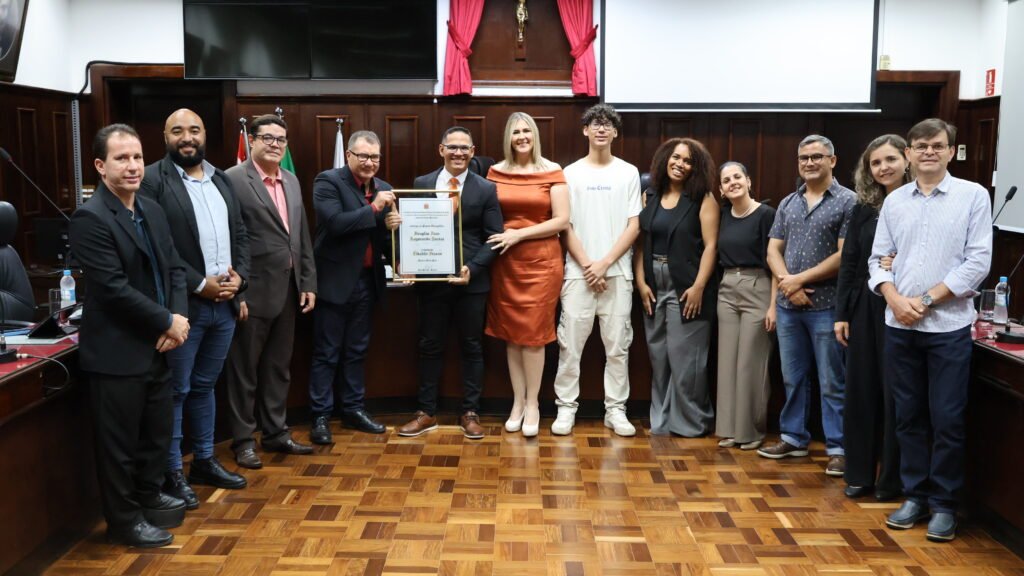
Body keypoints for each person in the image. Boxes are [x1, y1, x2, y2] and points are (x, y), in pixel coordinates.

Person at [869, 118, 992, 542]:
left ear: (950, 150)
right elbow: (877, 259)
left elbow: (977, 262)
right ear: (909, 153)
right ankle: (914, 497)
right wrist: (892, 296)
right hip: (898, 324)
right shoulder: (895, 201)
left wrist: (923, 300)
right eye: (919, 146)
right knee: (908, 417)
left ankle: (944, 505)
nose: (927, 152)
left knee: (947, 419)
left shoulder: (972, 196)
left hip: (947, 327)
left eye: (936, 146)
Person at [70, 124, 190, 547]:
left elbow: (175, 268)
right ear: (101, 166)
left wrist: (178, 317)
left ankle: (147, 500)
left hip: (158, 346)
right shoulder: (90, 218)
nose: (133, 166)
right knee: (118, 447)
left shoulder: (152, 209)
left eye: (138, 157)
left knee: (156, 435)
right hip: (117, 353)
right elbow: (114, 290)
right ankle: (124, 522)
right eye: (122, 158)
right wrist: (166, 322)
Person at [140, 109, 250, 510]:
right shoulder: (153, 180)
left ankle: (203, 460)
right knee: (177, 391)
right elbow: (158, 247)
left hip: (224, 306)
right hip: (184, 309)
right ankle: (172, 471)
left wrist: (241, 282)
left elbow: (240, 234)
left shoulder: (221, 178)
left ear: (205, 134)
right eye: (177, 131)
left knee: (205, 387)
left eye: (194, 130)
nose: (187, 138)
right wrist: (199, 284)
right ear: (165, 136)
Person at [392, 127, 504, 440]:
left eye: (464, 148)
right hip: (431, 281)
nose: (458, 153)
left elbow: (493, 238)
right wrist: (406, 261)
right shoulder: (422, 183)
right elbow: (410, 228)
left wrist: (474, 267)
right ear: (441, 149)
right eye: (452, 147)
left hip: (471, 282)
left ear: (473, 150)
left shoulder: (486, 189)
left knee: (471, 347)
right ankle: (426, 412)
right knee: (429, 346)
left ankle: (470, 412)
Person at [758, 135, 855, 478]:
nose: (809, 163)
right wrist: (788, 282)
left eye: (816, 156)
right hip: (788, 307)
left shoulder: (848, 202)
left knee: (832, 380)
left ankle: (839, 448)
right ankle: (793, 438)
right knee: (793, 377)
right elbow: (773, 250)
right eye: (803, 158)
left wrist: (799, 280)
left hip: (827, 306)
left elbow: (845, 256)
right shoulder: (789, 202)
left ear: (833, 160)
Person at [224, 114, 317, 469]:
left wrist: (308, 281)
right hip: (251, 293)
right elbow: (230, 239)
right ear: (251, 140)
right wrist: (237, 292)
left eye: (281, 139)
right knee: (243, 371)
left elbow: (301, 236)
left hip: (289, 292)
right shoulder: (233, 180)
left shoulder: (291, 181)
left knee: (278, 368)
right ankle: (243, 440)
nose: (275, 144)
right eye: (267, 138)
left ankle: (276, 432)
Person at [551, 104, 641, 437]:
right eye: (594, 124)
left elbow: (634, 225)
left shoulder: (628, 172)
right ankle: (566, 409)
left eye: (607, 125)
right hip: (578, 273)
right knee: (569, 346)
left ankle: (615, 411)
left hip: (618, 273)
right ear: (585, 131)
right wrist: (589, 265)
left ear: (615, 132)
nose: (601, 129)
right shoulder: (570, 172)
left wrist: (604, 263)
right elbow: (565, 224)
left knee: (618, 347)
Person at [834, 134, 910, 501]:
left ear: (907, 160)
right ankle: (860, 473)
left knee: (895, 396)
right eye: (876, 163)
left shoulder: (918, 203)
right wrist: (841, 314)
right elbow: (850, 263)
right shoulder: (863, 207)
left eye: (890, 159)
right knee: (861, 391)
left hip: (906, 307)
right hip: (865, 307)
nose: (884, 167)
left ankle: (891, 481)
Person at [485, 112, 569, 437]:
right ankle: (517, 402)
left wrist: (519, 234)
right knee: (511, 335)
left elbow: (562, 220)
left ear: (535, 135)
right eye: (516, 131)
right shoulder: (494, 172)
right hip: (505, 264)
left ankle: (533, 403)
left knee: (533, 338)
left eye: (527, 131)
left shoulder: (552, 171)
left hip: (542, 263)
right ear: (509, 136)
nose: (521, 136)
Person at [309, 130, 395, 441]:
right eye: (363, 156)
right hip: (333, 282)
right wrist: (375, 210)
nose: (370, 162)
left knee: (357, 351)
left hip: (367, 283)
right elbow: (336, 224)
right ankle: (320, 416)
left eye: (375, 157)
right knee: (326, 352)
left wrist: (393, 233)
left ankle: (353, 409)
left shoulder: (383, 189)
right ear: (348, 156)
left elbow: (381, 240)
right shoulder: (328, 181)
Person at [635, 138, 719, 437]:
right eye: (676, 157)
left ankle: (692, 424)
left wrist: (698, 286)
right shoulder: (651, 195)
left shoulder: (703, 199)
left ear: (695, 167)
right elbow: (642, 242)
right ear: (664, 159)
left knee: (687, 362)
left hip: (687, 285)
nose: (680, 164)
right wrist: (640, 282)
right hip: (653, 285)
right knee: (659, 358)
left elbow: (711, 247)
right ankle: (662, 421)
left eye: (687, 161)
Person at [715, 161, 777, 450]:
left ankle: (750, 432)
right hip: (727, 288)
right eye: (726, 180)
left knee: (751, 362)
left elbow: (777, 262)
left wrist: (774, 306)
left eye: (737, 176)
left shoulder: (766, 215)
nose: (732, 182)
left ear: (749, 181)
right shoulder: (723, 215)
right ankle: (729, 430)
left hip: (758, 287)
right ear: (722, 190)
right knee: (727, 361)